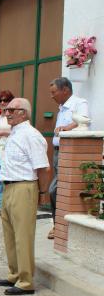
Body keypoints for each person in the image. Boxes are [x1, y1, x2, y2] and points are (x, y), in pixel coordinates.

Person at [0, 98, 51, 295]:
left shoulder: (31, 135)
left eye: (12, 110)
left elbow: (43, 167)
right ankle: (15, 273)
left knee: (23, 235)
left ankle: (26, 281)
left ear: (24, 113)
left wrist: (43, 193)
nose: (7, 112)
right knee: (10, 233)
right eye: (6, 109)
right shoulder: (15, 133)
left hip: (24, 187)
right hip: (10, 186)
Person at [48, 77, 90, 239]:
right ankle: (57, 225)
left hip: (70, 153)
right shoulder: (62, 107)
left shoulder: (79, 103)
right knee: (57, 190)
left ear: (65, 90)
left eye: (54, 92)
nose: (52, 96)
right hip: (59, 151)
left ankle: (59, 226)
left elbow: (84, 121)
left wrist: (66, 128)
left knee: (54, 190)